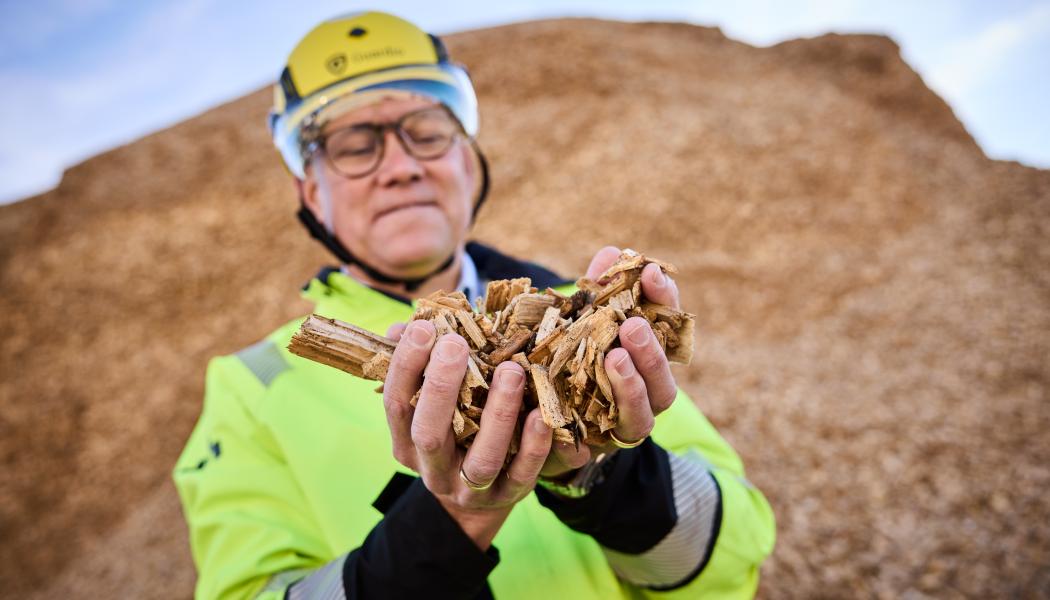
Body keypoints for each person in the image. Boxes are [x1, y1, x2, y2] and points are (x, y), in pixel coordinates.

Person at [174, 11, 775, 600]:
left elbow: (732, 563)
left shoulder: (597, 321)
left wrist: (598, 475)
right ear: (312, 192)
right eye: (355, 145)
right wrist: (448, 521)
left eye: (428, 131)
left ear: (466, 159)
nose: (402, 167)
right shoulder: (252, 387)